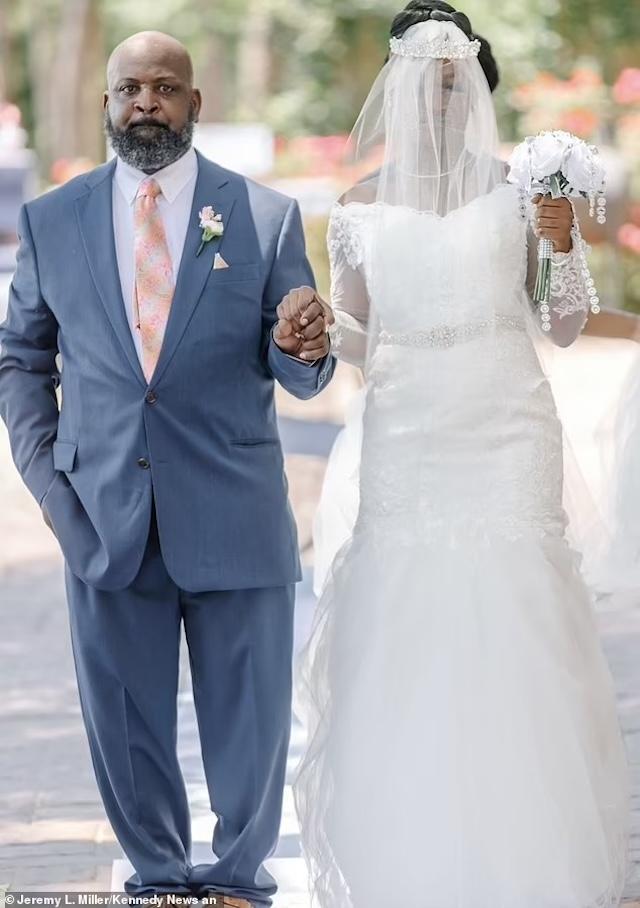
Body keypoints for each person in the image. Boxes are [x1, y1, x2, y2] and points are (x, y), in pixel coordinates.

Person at [292, 3, 631, 907]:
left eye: (456, 84)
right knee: (411, 619)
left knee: (521, 613)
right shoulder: (358, 207)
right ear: (397, 90)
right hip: (408, 430)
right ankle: (418, 852)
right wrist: (323, 334)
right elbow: (360, 336)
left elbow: (562, 324)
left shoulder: (523, 188)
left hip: (506, 421)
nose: (440, 101)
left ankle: (532, 856)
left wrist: (562, 243)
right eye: (424, 85)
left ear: (476, 86)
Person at [0, 31, 335, 905]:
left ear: (195, 104)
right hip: (102, 517)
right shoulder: (52, 220)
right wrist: (50, 484)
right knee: (125, 723)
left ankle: (234, 884)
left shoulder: (263, 217)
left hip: (235, 512)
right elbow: (21, 362)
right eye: (128, 88)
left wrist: (303, 341)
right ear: (106, 104)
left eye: (165, 87)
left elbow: (300, 365)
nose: (146, 101)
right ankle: (154, 879)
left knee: (250, 723)